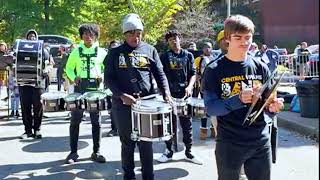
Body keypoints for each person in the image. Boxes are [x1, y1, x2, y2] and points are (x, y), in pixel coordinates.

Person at [201, 14, 284, 180]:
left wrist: (273, 108)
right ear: (227, 39)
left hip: (260, 141)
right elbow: (210, 108)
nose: (244, 42)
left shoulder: (260, 67)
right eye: (238, 38)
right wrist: (237, 99)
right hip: (229, 142)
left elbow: (267, 105)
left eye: (248, 37)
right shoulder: (214, 69)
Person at [105, 13, 171, 180]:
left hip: (146, 104)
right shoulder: (114, 53)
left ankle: (148, 176)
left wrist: (166, 94)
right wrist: (121, 95)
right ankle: (129, 176)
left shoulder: (150, 50)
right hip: (122, 104)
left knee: (146, 143)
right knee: (127, 143)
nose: (136, 37)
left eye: (139, 33)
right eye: (132, 33)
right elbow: (108, 79)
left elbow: (160, 74)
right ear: (125, 35)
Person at [156, 29, 202, 165]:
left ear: (179, 39)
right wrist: (165, 92)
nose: (174, 41)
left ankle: (189, 152)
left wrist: (190, 86)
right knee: (169, 124)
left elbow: (193, 73)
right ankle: (169, 151)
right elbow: (160, 75)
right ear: (168, 43)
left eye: (175, 39)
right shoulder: (164, 56)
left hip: (185, 94)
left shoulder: (188, 55)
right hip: (170, 95)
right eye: (170, 40)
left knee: (186, 124)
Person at [64, 23, 108, 164]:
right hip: (80, 88)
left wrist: (102, 75)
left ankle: (96, 151)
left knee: (96, 122)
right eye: (85, 34)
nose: (88, 37)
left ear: (95, 36)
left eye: (91, 34)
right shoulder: (76, 52)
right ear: (81, 36)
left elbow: (107, 68)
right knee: (75, 120)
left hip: (95, 90)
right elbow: (69, 68)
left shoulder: (102, 52)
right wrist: (73, 76)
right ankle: (73, 152)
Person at [19, 29, 49, 139]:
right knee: (25, 107)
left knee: (38, 107)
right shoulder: (20, 50)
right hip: (24, 82)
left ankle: (37, 129)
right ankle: (27, 131)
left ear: (36, 38)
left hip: (38, 83)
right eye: (29, 36)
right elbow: (15, 62)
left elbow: (49, 64)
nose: (32, 37)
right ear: (26, 38)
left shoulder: (43, 50)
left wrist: (47, 70)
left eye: (34, 36)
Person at [195, 42, 217, 140]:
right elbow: (195, 73)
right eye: (205, 47)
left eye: (209, 47)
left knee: (214, 109)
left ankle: (214, 130)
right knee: (204, 109)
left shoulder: (216, 59)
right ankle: (203, 130)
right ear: (202, 49)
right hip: (203, 87)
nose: (207, 49)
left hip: (215, 87)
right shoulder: (199, 60)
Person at [105, 40, 120, 137]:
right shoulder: (107, 57)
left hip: (122, 87)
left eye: (116, 46)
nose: (114, 48)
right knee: (112, 109)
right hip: (110, 87)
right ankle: (114, 129)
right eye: (112, 46)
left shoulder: (123, 56)